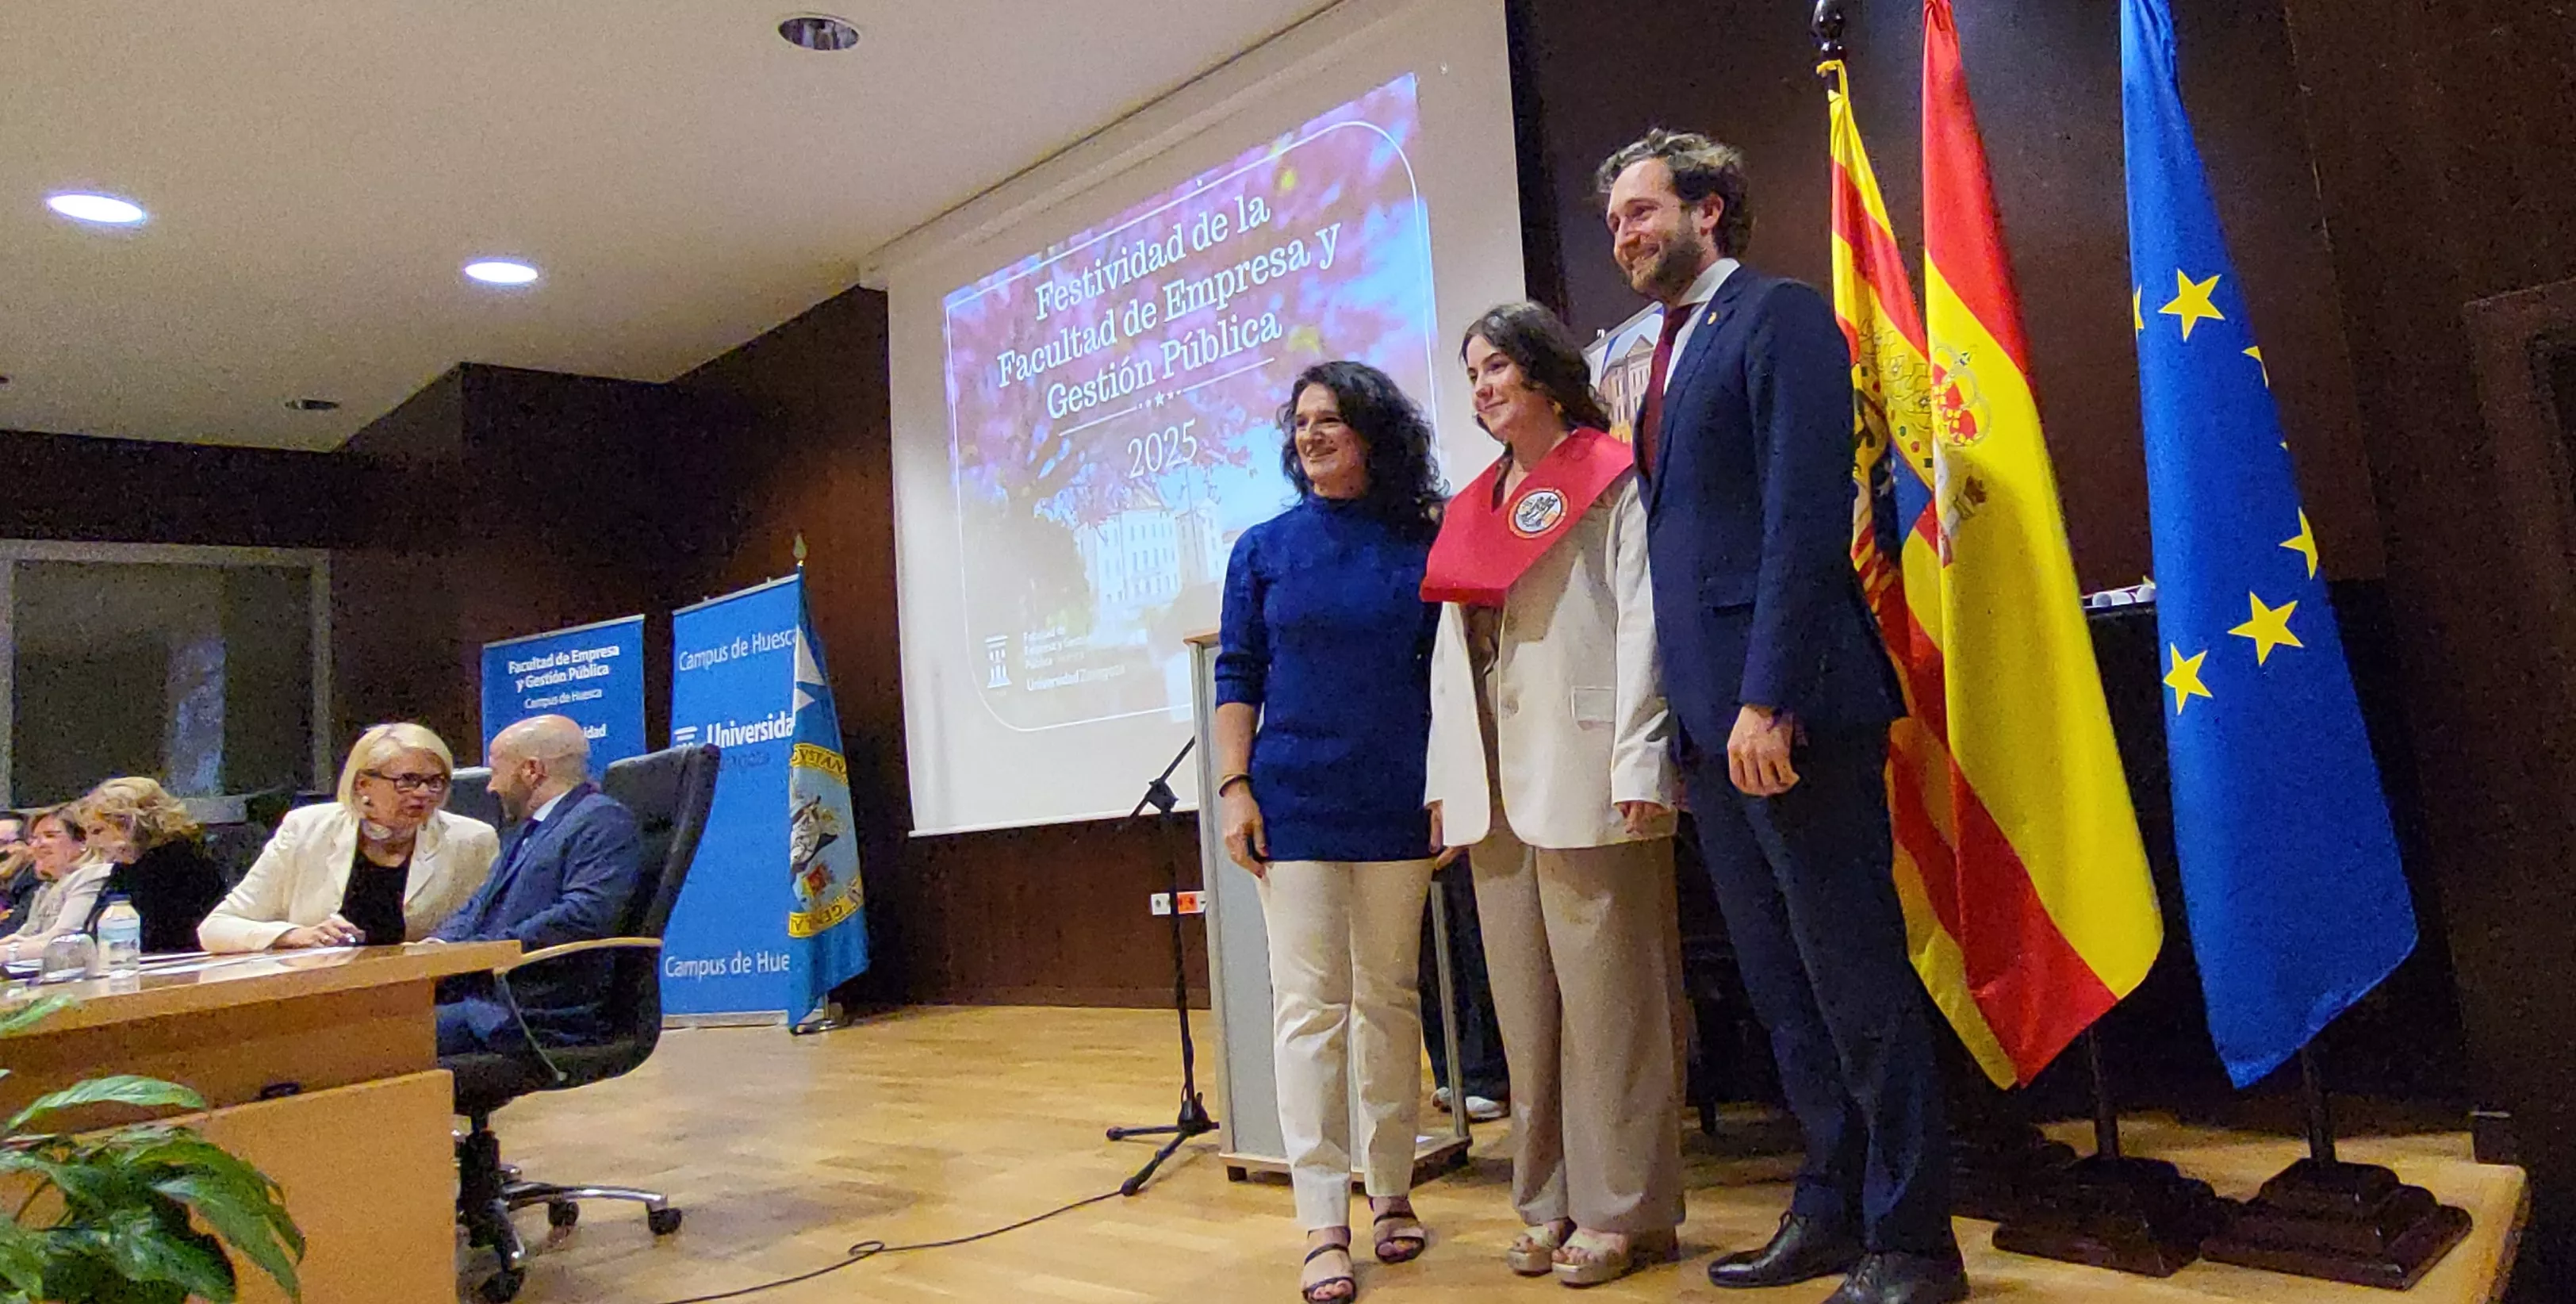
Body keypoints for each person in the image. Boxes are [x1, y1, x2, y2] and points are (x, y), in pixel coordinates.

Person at [1600, 128, 1961, 1304]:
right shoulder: (1659, 355)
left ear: (1711, 208)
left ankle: (1914, 1241)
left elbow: (1805, 519)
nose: (1625, 235)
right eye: (1614, 222)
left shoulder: (1780, 315)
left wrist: (1770, 696)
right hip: (1717, 734)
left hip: (1789, 712)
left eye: (1643, 210)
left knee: (1855, 980)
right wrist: (1680, 733)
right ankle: (1832, 1207)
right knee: (1785, 991)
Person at [1423, 301, 1685, 1287]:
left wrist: (1640, 761)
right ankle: (1544, 1200)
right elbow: (1451, 664)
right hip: (1492, 787)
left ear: (1543, 371)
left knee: (1612, 1006)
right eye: (1472, 374)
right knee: (1525, 1013)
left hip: (1586, 769)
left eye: (1496, 367)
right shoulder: (1470, 503)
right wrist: (1448, 782)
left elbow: (1642, 624)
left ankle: (1625, 1210)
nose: (1483, 388)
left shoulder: (1607, 475)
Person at [1213, 360, 1445, 1304]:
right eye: (1301, 422)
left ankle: (1390, 1191)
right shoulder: (1262, 548)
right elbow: (1238, 676)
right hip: (1294, 799)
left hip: (1398, 798)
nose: (1310, 435)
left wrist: (1453, 792)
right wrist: (1234, 787)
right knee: (1309, 1009)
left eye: (1331, 420)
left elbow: (1450, 681)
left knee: (1388, 999)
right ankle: (1321, 1218)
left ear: (1373, 434)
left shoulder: (1422, 542)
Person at [429, 714, 642, 1057]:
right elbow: (478, 905)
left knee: (374, 1043)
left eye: (496, 771)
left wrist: (484, 953)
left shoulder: (602, 820)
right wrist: (435, 948)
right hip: (485, 993)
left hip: (532, 1009)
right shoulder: (529, 829)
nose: (491, 786)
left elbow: (583, 915)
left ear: (531, 770)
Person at [200, 723, 500, 952]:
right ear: (363, 784)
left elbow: (486, 931)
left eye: (436, 782)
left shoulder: (471, 840)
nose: (423, 793)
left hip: (423, 996)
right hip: (317, 992)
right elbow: (216, 928)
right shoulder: (308, 828)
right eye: (407, 781)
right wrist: (294, 935)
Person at [77, 777, 229, 953]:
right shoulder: (126, 868)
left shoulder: (181, 866)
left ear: (129, 825)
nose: (90, 843)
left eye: (98, 831)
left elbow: (159, 939)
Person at [0, 806, 113, 958]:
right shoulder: (47, 886)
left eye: (50, 836)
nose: (38, 845)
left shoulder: (91, 875)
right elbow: (26, 933)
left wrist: (10, 952)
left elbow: (65, 938)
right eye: (34, 839)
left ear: (83, 841)